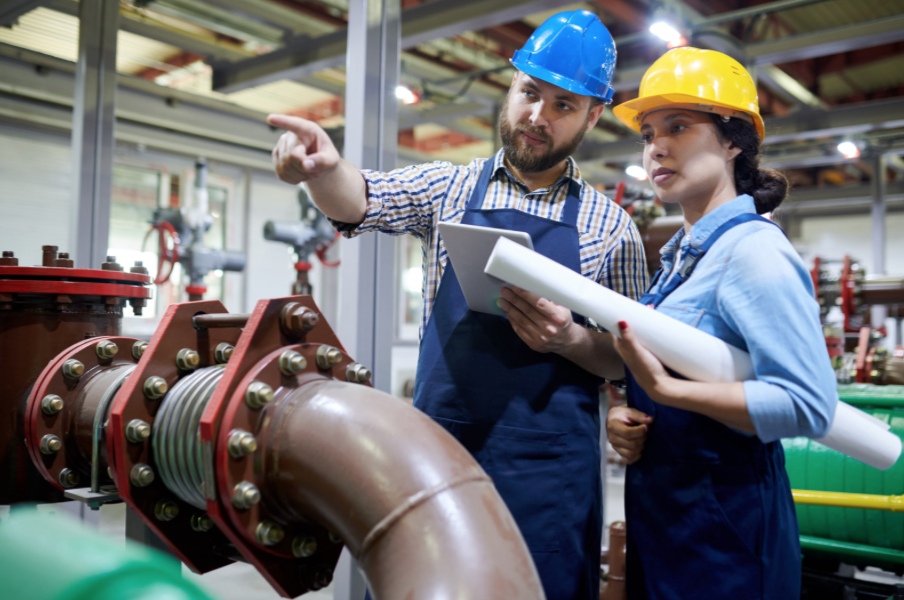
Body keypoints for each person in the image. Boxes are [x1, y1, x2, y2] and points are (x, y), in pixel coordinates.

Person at [268, 10, 647, 599]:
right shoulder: (450, 189)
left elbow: (629, 356)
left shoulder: (611, 227)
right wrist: (323, 168)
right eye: (529, 93)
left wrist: (570, 340)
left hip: (550, 478)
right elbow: (362, 199)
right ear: (511, 86)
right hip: (438, 457)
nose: (536, 117)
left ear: (593, 116)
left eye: (563, 106)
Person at [605, 47, 839, 599]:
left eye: (678, 126)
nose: (655, 146)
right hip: (666, 522)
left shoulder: (753, 252)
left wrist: (668, 391)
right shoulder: (683, 260)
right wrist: (627, 415)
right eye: (646, 133)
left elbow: (808, 405)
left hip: (725, 534)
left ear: (734, 140)